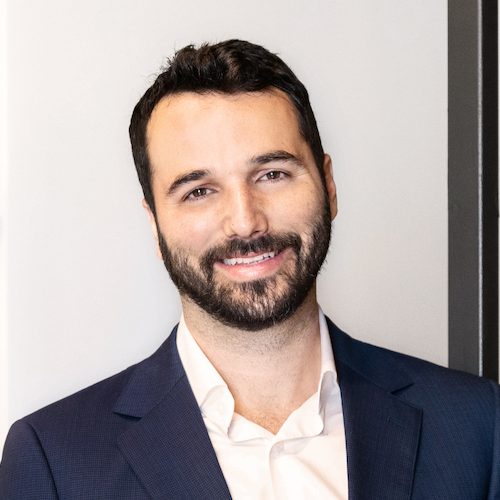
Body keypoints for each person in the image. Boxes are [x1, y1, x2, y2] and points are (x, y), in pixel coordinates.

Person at [0, 39, 499, 500]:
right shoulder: (55, 461)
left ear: (328, 185)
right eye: (198, 191)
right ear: (154, 224)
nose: (245, 222)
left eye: (272, 174)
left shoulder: (477, 426)